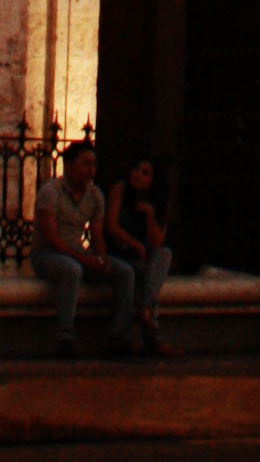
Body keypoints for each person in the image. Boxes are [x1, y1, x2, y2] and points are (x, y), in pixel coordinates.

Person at [31, 140, 131, 355]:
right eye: (85, 164)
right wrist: (84, 259)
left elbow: (97, 234)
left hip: (77, 253)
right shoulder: (51, 192)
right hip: (48, 255)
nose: (91, 170)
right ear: (68, 166)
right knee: (71, 270)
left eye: (93, 164)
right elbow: (50, 238)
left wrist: (101, 259)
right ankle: (65, 336)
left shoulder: (94, 196)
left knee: (124, 272)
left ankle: (118, 336)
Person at [101, 155, 172, 356]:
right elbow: (112, 226)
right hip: (118, 253)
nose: (138, 176)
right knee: (136, 275)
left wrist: (149, 215)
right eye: (137, 170)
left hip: (139, 259)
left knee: (163, 256)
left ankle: (145, 308)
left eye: (145, 173)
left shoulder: (159, 204)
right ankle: (146, 335)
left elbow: (157, 242)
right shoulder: (120, 190)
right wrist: (137, 246)